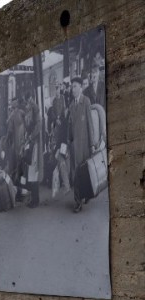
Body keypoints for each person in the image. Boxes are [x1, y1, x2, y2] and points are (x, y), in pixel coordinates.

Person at [67, 76, 95, 213]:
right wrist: (67, 144)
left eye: (75, 87)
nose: (72, 89)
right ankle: (77, 202)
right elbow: (69, 128)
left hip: (84, 146)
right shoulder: (71, 106)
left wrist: (92, 144)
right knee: (76, 175)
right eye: (72, 87)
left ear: (80, 88)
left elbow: (90, 124)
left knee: (85, 174)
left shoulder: (86, 102)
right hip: (74, 147)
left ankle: (86, 195)